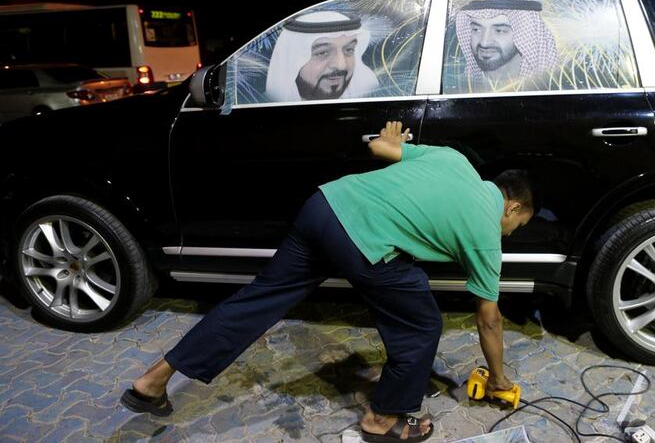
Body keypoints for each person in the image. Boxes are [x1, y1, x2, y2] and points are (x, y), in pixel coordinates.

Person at [120, 121, 534, 443]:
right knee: (421, 325)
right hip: (363, 241)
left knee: (257, 301)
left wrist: (391, 136)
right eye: (515, 225)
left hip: (324, 207)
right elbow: (489, 319)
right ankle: (383, 418)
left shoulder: (451, 159)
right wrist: (498, 380)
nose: (508, 234)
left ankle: (152, 381)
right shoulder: (485, 232)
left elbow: (381, 147)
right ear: (512, 205)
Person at [454, 0, 559, 92]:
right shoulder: (457, 86)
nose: (484, 42)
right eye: (476, 29)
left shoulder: (550, 89)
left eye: (500, 31)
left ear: (524, 33)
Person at [266, 10, 379, 102]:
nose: (341, 65)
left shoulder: (373, 99)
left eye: (349, 50)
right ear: (292, 60)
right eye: (322, 53)